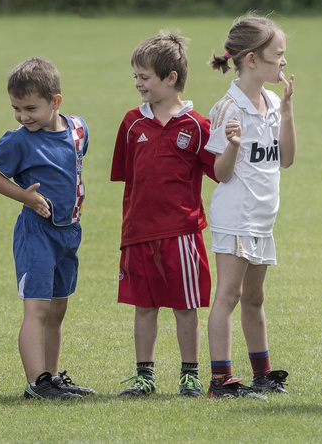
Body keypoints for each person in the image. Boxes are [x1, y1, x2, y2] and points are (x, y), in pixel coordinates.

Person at [111, 31, 216, 398]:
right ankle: (145, 376)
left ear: (171, 79)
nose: (138, 84)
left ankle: (190, 375)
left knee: (185, 307)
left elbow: (219, 172)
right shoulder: (131, 124)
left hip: (183, 233)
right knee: (144, 306)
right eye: (136, 77)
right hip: (138, 233)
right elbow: (128, 177)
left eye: (145, 77)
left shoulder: (198, 126)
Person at [0, 57, 93, 400]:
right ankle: (37, 383)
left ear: (55, 102)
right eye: (16, 108)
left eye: (30, 108)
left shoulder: (78, 129)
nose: (22, 116)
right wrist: (25, 197)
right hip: (37, 234)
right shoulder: (18, 140)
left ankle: (53, 377)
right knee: (38, 309)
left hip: (69, 233)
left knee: (58, 309)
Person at [203, 15, 295, 399]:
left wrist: (288, 112)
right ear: (253, 59)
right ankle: (221, 381)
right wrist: (234, 146)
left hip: (262, 218)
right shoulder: (227, 108)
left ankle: (262, 373)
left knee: (255, 298)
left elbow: (286, 159)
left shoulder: (273, 101)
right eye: (279, 55)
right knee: (229, 296)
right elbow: (220, 174)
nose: (284, 62)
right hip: (235, 216)